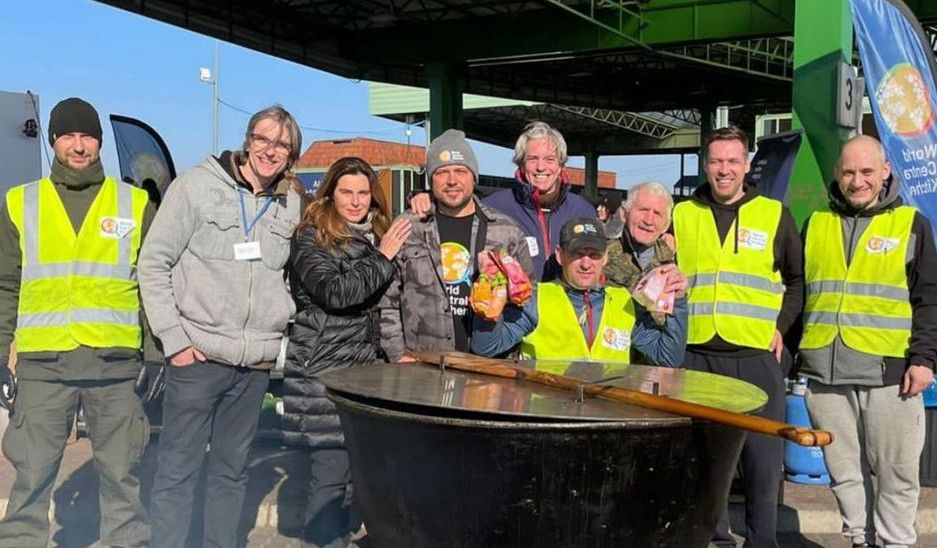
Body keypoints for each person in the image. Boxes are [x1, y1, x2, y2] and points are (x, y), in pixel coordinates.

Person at [138, 105, 303, 548]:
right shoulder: (195, 188)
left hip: (252, 367)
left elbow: (290, 274)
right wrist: (174, 341)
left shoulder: (291, 204)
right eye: (264, 140)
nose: (271, 151)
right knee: (177, 470)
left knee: (231, 473)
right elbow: (153, 264)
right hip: (197, 357)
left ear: (291, 155)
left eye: (282, 145)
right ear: (248, 140)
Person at [0, 97, 155, 547]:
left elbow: (152, 283)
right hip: (44, 368)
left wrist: (155, 355)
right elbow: (5, 284)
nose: (78, 145)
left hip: (115, 367)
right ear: (52, 141)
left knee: (123, 478)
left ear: (100, 142)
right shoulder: (19, 204)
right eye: (67, 135)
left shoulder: (135, 202)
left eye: (87, 135)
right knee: (30, 479)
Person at [799, 135, 937, 548]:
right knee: (844, 474)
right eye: (848, 172)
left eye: (866, 172)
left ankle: (894, 543)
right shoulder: (815, 223)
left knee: (897, 472)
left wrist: (924, 358)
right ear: (838, 175)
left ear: (885, 172)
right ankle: (859, 539)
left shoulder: (911, 224)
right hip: (825, 374)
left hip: (890, 375)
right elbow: (798, 292)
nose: (857, 181)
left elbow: (929, 297)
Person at [672, 126, 804, 547]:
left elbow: (798, 283)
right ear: (705, 164)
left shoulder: (774, 214)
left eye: (732, 161)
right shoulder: (682, 214)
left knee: (762, 469)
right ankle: (717, 543)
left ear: (747, 165)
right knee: (708, 470)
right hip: (697, 357)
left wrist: (780, 328)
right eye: (716, 161)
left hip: (754, 358)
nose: (724, 170)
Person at [282, 157, 411, 548]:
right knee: (329, 482)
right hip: (323, 373)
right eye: (346, 192)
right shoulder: (311, 236)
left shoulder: (375, 233)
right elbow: (337, 294)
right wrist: (383, 256)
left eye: (363, 192)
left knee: (356, 485)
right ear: (330, 194)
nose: (355, 202)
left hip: (363, 375)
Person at [380, 129, 533, 362]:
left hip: (488, 370)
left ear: (474, 177)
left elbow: (526, 300)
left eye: (461, 171)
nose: (452, 180)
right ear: (431, 180)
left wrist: (499, 346)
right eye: (442, 172)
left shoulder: (505, 232)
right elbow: (386, 298)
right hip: (422, 366)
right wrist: (397, 353)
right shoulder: (409, 228)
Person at [471, 217, 687, 365]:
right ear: (560, 255)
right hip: (548, 419)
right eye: (577, 253)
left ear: (605, 258)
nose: (586, 264)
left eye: (594, 255)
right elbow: (486, 347)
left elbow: (667, 359)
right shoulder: (535, 298)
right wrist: (490, 291)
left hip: (605, 419)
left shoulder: (624, 301)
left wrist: (678, 301)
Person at [409, 121, 596, 281]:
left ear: (560, 164)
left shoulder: (584, 212)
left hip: (568, 316)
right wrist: (429, 196)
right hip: (513, 317)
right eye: (532, 159)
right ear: (521, 164)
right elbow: (459, 203)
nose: (541, 167)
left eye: (549, 159)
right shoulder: (496, 206)